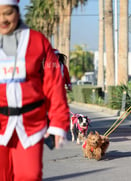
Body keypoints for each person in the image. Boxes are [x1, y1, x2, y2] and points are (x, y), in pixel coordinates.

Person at [0, 1, 70, 180]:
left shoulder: (38, 42)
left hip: (31, 125)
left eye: (7, 13)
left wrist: (57, 124)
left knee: (29, 176)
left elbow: (54, 85)